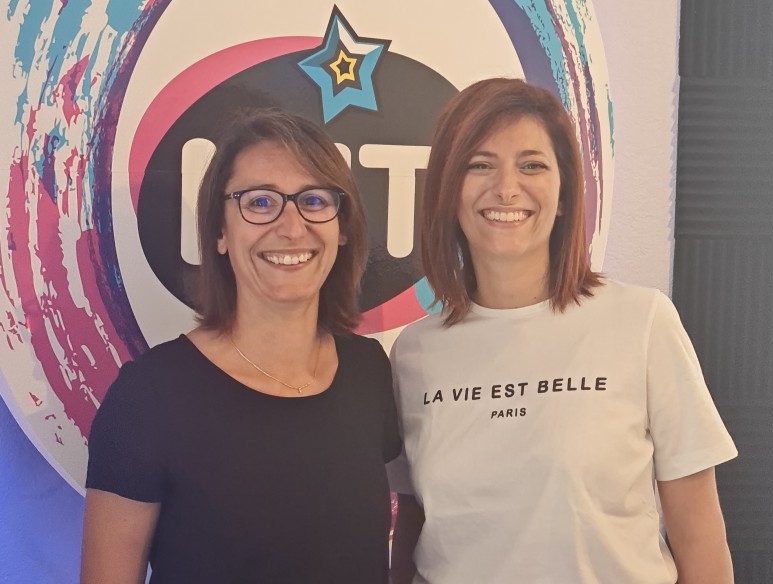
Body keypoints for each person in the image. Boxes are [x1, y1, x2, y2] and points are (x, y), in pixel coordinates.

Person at [388, 78, 738, 584]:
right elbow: (415, 527)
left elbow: (700, 536)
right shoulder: (414, 353)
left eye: (531, 165)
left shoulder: (641, 322)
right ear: (447, 190)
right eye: (479, 165)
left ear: (565, 194)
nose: (506, 187)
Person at [81, 109, 401, 583]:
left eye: (314, 200)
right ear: (219, 232)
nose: (291, 227)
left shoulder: (368, 371)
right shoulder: (148, 397)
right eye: (260, 202)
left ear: (343, 228)